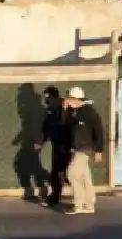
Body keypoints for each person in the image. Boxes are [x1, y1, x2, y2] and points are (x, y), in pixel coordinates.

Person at [62, 86, 105, 215]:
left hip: (84, 148)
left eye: (70, 99)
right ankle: (88, 204)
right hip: (76, 148)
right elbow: (65, 125)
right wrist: (65, 110)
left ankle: (79, 203)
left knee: (72, 173)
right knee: (84, 176)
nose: (68, 101)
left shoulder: (89, 113)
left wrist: (99, 150)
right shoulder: (73, 112)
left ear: (76, 99)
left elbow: (99, 131)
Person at [35, 86, 72, 207]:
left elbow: (58, 125)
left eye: (47, 97)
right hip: (59, 144)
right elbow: (46, 127)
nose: (46, 100)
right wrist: (40, 141)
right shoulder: (52, 109)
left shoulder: (62, 107)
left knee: (65, 172)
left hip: (66, 144)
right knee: (58, 171)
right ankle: (55, 197)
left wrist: (40, 141)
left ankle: (59, 197)